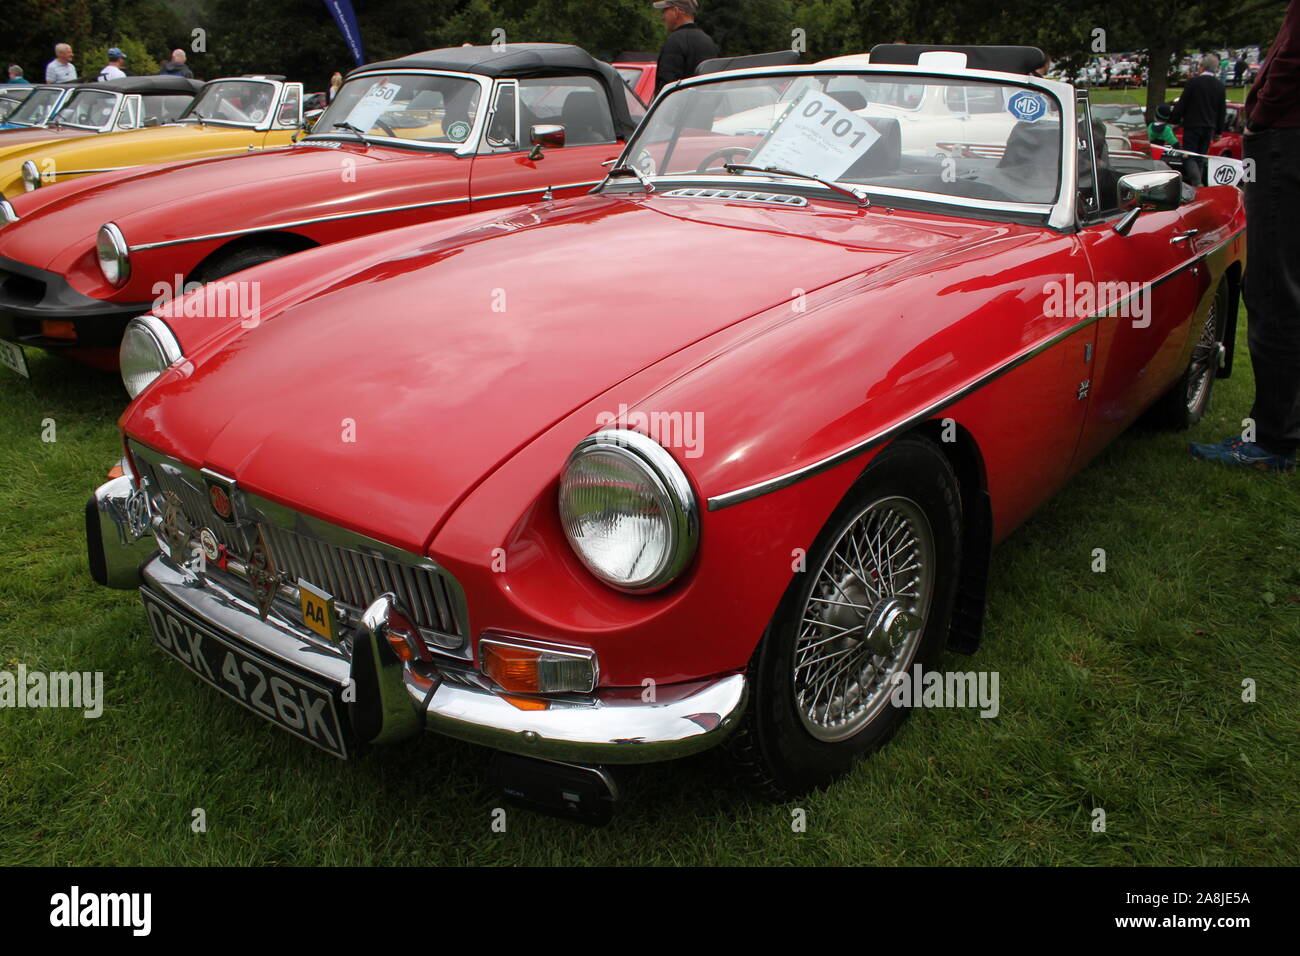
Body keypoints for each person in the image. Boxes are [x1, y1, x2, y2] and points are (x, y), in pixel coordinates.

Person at [1190, 0, 1299, 473]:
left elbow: (1292, 57)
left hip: (1285, 139)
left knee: (1274, 291)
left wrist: (1260, 115)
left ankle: (1273, 439)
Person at [1169, 54, 1226, 187]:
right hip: (1209, 126)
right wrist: (1218, 131)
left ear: (1201, 67)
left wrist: (1174, 121)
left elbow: (1182, 104)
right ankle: (1197, 183)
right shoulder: (1219, 86)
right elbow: (1221, 110)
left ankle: (1196, 181)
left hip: (1193, 124)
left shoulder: (1193, 83)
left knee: (1188, 155)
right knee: (1200, 156)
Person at [653, 0, 718, 94]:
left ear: (676, 11)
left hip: (683, 106)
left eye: (665, 11)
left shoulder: (675, 42)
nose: (662, 17)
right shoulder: (709, 42)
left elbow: (667, 86)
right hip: (706, 106)